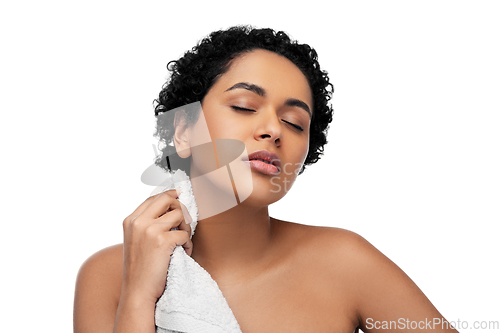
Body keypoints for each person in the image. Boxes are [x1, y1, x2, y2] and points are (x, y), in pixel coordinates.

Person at [73, 26, 458, 332]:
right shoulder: (107, 277)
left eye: (295, 123)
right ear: (183, 132)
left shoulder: (346, 262)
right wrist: (139, 296)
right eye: (244, 106)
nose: (274, 129)